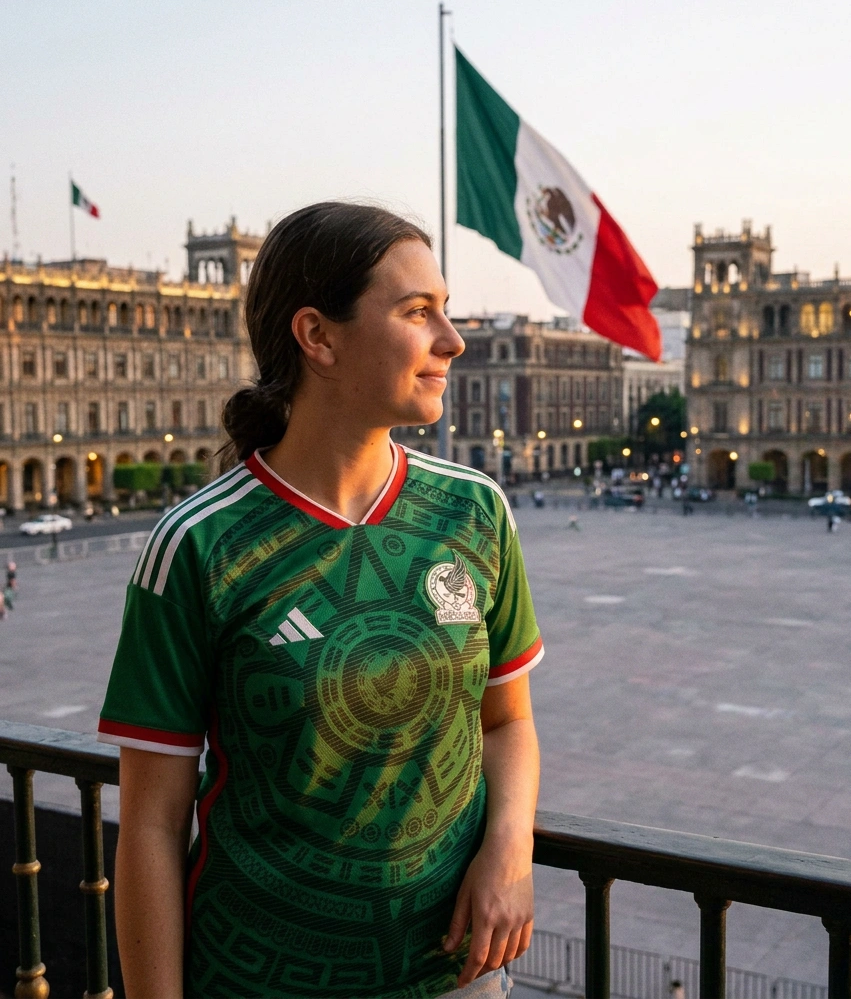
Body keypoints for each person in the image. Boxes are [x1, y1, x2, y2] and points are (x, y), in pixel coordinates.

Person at [98, 203, 542, 999]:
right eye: (418, 312)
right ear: (318, 337)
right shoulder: (198, 546)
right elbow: (152, 826)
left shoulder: (475, 511)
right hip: (257, 980)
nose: (452, 339)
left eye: (445, 308)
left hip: (455, 976)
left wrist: (510, 850)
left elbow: (506, 721)